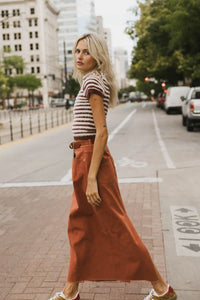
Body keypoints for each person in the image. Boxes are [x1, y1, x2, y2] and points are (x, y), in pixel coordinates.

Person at [49, 33, 177, 300]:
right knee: (80, 226)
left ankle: (161, 288)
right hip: (83, 158)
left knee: (116, 226)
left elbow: (102, 132)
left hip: (89, 160)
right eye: (76, 51)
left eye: (86, 51)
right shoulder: (91, 81)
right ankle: (71, 290)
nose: (79, 56)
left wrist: (92, 177)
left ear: (98, 56)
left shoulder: (93, 81)